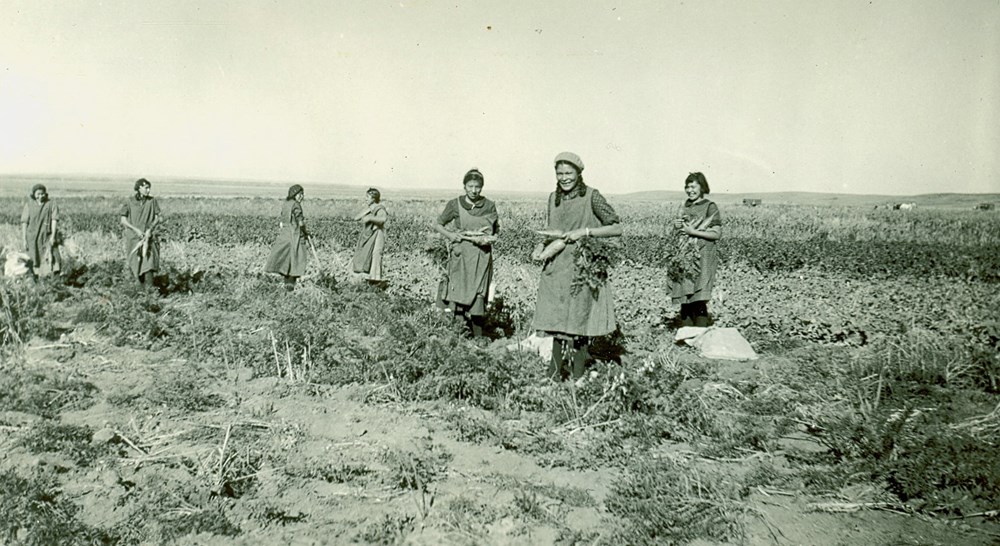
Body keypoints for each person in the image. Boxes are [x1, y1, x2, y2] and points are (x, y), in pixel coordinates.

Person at [531, 152, 622, 380]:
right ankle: (553, 373)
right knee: (556, 321)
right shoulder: (553, 198)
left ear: (579, 173)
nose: (564, 178)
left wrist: (586, 232)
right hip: (556, 266)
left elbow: (615, 227)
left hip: (582, 266)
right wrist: (539, 247)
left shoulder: (592, 196)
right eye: (560, 173)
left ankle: (578, 374)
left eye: (569, 173)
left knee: (580, 321)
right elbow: (551, 229)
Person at [433, 168, 499, 337]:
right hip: (461, 255)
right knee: (459, 293)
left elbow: (496, 231)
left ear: (482, 187)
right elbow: (438, 224)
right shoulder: (455, 204)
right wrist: (451, 236)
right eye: (470, 186)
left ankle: (478, 338)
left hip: (481, 256)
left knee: (478, 293)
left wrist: (486, 238)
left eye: (477, 187)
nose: (474, 190)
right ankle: (458, 337)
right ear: (464, 186)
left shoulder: (489, 205)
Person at [670, 172, 722, 327]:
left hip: (703, 257)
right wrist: (677, 226)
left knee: (698, 299)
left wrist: (693, 232)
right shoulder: (685, 205)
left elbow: (716, 233)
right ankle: (688, 339)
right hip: (684, 255)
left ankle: (699, 337)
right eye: (687, 186)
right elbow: (680, 231)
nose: (689, 190)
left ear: (702, 187)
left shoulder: (710, 206)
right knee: (684, 299)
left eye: (693, 186)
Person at [264, 184, 310, 291]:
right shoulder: (296, 205)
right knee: (296, 258)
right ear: (294, 194)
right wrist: (306, 232)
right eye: (300, 194)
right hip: (294, 235)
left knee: (286, 259)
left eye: (302, 194)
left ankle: (287, 284)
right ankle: (291, 285)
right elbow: (301, 222)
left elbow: (282, 220)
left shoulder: (286, 204)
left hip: (284, 235)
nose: (302, 197)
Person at [120, 178, 161, 286]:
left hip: (148, 237)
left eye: (149, 188)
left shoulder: (152, 201)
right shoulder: (129, 202)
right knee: (135, 263)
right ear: (139, 188)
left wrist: (150, 229)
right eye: (146, 188)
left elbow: (158, 218)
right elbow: (123, 220)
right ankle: (138, 287)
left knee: (149, 263)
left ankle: (150, 291)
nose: (148, 190)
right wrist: (136, 230)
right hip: (134, 238)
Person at [20, 184, 62, 280]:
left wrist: (53, 236)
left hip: (47, 235)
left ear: (45, 194)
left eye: (42, 194)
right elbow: (24, 222)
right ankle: (36, 279)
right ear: (34, 194)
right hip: (33, 237)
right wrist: (24, 239)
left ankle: (53, 279)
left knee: (53, 256)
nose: (40, 196)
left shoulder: (51, 204)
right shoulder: (29, 205)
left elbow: (54, 220)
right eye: (38, 194)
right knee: (34, 257)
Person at [351, 188, 388, 284]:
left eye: (368, 197)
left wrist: (370, 218)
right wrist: (367, 211)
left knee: (376, 254)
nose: (365, 198)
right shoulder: (370, 208)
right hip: (370, 234)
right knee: (366, 254)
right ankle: (368, 277)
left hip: (378, 233)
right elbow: (356, 218)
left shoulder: (380, 209)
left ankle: (376, 279)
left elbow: (383, 219)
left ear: (374, 198)